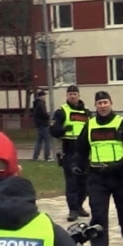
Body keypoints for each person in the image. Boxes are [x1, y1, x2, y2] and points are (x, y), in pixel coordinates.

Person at [72, 90, 123, 246]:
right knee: (98, 219)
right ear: (95, 106)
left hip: (121, 176)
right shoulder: (89, 125)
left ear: (111, 103)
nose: (103, 106)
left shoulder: (122, 124)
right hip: (97, 178)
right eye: (99, 103)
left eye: (105, 102)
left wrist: (117, 166)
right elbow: (80, 150)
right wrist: (78, 166)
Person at [50, 84, 91, 221]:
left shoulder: (86, 112)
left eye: (75, 94)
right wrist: (63, 130)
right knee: (72, 181)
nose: (72, 96)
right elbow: (53, 131)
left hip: (84, 150)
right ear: (67, 96)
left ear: (79, 95)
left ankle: (79, 206)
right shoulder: (61, 111)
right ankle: (72, 209)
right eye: (70, 94)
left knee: (84, 181)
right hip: (69, 149)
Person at [31, 89, 52, 161]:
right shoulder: (41, 104)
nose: (45, 97)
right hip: (43, 124)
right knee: (47, 140)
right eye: (44, 95)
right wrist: (49, 117)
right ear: (41, 96)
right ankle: (47, 156)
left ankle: (35, 156)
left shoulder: (36, 103)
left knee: (39, 140)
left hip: (38, 124)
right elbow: (44, 114)